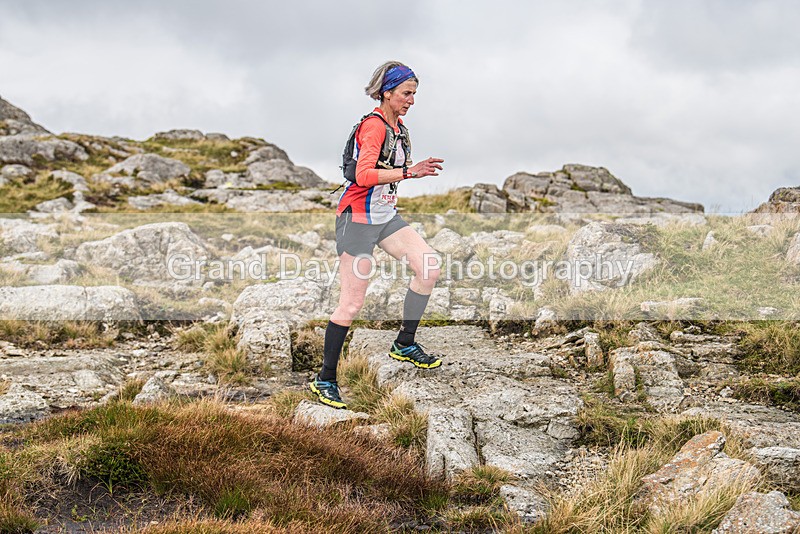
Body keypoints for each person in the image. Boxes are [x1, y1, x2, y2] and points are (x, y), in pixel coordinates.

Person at [309, 61, 446, 409]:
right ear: (387, 92)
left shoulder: (397, 127)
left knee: (429, 266)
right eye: (406, 93)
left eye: (414, 94)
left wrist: (408, 173)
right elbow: (365, 176)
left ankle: (404, 344)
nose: (412, 100)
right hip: (357, 220)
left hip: (384, 217)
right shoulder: (373, 128)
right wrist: (410, 173)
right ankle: (325, 379)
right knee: (352, 303)